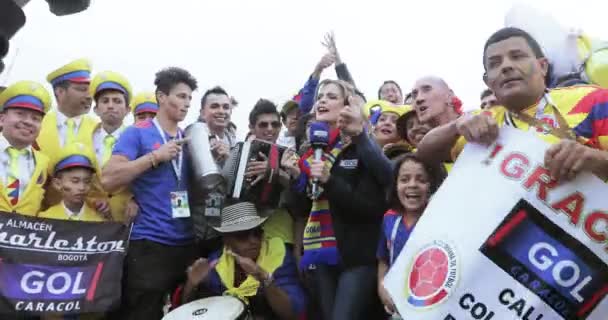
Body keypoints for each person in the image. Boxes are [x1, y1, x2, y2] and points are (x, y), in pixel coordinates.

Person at [417, 27, 608, 182]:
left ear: (543, 66)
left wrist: (595, 159)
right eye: (494, 63)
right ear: (488, 82)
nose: (506, 66)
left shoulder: (593, 100)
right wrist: (455, 127)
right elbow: (424, 154)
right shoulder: (483, 122)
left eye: (517, 56)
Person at [102, 67, 198, 319]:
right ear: (161, 96)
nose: (186, 103)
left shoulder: (188, 137)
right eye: (180, 96)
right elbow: (109, 179)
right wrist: (155, 157)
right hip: (149, 244)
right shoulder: (137, 132)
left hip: (186, 242)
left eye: (189, 98)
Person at [294, 79, 391, 320]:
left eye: (331, 96)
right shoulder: (313, 153)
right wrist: (297, 179)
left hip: (357, 255)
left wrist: (330, 180)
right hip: (321, 252)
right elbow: (305, 206)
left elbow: (372, 207)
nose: (322, 100)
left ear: (348, 106)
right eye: (320, 96)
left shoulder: (363, 146)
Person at [181, 201, 306, 320]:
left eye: (257, 233)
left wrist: (264, 278)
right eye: (243, 235)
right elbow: (187, 313)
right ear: (226, 240)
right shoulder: (216, 262)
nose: (254, 241)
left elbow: (293, 314)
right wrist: (191, 284)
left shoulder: (278, 254)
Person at [376, 154, 446, 318]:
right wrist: (382, 288)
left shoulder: (439, 220)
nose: (412, 185)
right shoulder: (389, 218)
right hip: (398, 308)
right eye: (405, 179)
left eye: (421, 180)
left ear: (432, 185)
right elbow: (383, 259)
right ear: (395, 185)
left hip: (432, 306)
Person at [244, 99, 299, 249]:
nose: (270, 129)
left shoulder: (290, 156)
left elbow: (300, 198)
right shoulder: (239, 154)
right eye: (263, 124)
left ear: (280, 126)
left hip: (280, 237)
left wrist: (275, 173)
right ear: (251, 127)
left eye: (274, 124)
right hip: (245, 238)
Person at [88, 71, 136, 223]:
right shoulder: (84, 138)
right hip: (89, 218)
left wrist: (135, 200)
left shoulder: (138, 139)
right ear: (96, 109)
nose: (111, 106)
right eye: (105, 101)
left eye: (117, 101)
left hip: (126, 219)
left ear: (128, 110)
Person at [0, 81, 51, 217]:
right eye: (20, 114)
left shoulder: (44, 163)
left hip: (20, 237)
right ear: (2, 119)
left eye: (35, 118)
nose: (28, 121)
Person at [36, 58, 97, 156]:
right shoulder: (36, 126)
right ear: (59, 92)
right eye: (82, 89)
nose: (89, 96)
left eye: (91, 90)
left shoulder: (99, 130)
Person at [38, 142, 107, 222]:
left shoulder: (98, 220)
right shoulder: (46, 218)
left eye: (87, 181)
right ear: (57, 184)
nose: (82, 187)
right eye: (75, 181)